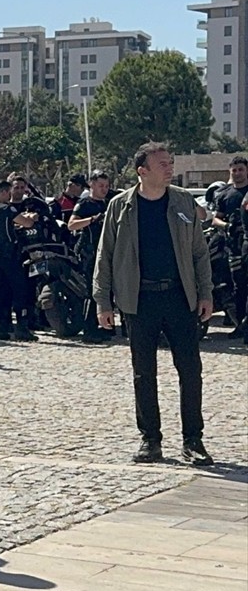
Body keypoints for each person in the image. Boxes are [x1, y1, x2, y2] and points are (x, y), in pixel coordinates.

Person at [94, 142, 214, 466]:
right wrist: (102, 301)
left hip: (179, 296)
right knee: (143, 373)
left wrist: (206, 294)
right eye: (162, 163)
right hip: (139, 299)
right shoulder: (120, 206)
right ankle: (150, 439)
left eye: (170, 162)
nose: (169, 167)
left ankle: (193, 440)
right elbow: (104, 256)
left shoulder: (183, 201)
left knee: (190, 370)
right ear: (142, 171)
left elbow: (199, 253)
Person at [0, 179, 38, 341]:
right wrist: (32, 217)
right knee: (20, 289)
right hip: (10, 253)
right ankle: (22, 327)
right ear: (4, 192)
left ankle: (1, 328)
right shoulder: (7, 209)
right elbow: (26, 223)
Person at [68, 171, 112, 344]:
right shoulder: (84, 203)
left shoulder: (109, 204)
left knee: (106, 290)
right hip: (88, 251)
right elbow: (72, 225)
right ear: (92, 185)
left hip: (106, 251)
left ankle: (103, 325)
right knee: (91, 291)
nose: (104, 189)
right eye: (101, 186)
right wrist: (93, 219)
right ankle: (89, 328)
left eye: (107, 186)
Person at [211, 156, 248, 341]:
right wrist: (226, 226)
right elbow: (215, 219)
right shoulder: (225, 194)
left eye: (240, 169)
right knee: (238, 288)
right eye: (234, 170)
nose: (237, 173)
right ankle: (240, 325)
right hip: (234, 248)